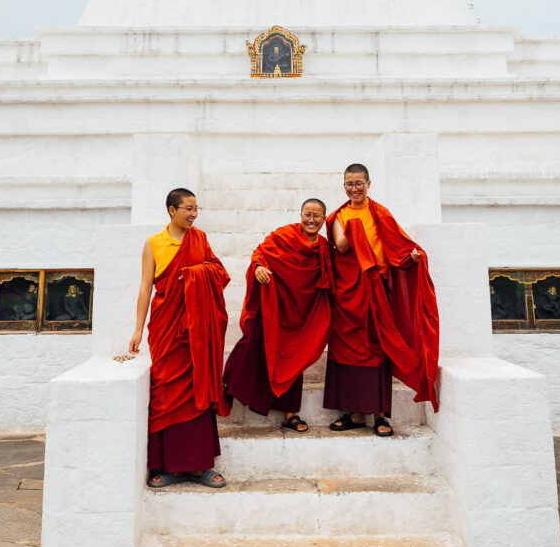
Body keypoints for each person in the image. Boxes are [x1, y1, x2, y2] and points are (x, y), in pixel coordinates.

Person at [325, 163, 439, 436]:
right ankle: (351, 413)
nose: (354, 188)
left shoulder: (380, 213)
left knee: (378, 350)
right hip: (348, 292)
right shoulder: (339, 216)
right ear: (344, 186)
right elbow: (340, 246)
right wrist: (355, 227)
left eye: (358, 183)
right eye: (349, 184)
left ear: (368, 183)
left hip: (376, 289)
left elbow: (395, 245)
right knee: (345, 350)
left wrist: (409, 258)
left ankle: (380, 415)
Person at [128, 187, 231, 488]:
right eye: (188, 208)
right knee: (165, 393)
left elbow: (219, 272)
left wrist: (195, 274)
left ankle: (200, 467)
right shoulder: (153, 244)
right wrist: (137, 328)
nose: (193, 214)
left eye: (196, 209)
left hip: (197, 331)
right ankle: (167, 466)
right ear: (172, 210)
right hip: (167, 330)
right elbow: (146, 287)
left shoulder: (199, 240)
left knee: (196, 390)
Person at [223, 199, 334, 432]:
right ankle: (228, 387)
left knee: (295, 358)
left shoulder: (324, 248)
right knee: (251, 340)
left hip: (301, 313)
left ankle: (290, 415)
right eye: (307, 214)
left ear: (324, 219)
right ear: (300, 214)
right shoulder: (285, 235)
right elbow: (259, 254)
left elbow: (329, 280)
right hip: (274, 303)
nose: (311, 220)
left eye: (317, 216)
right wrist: (259, 268)